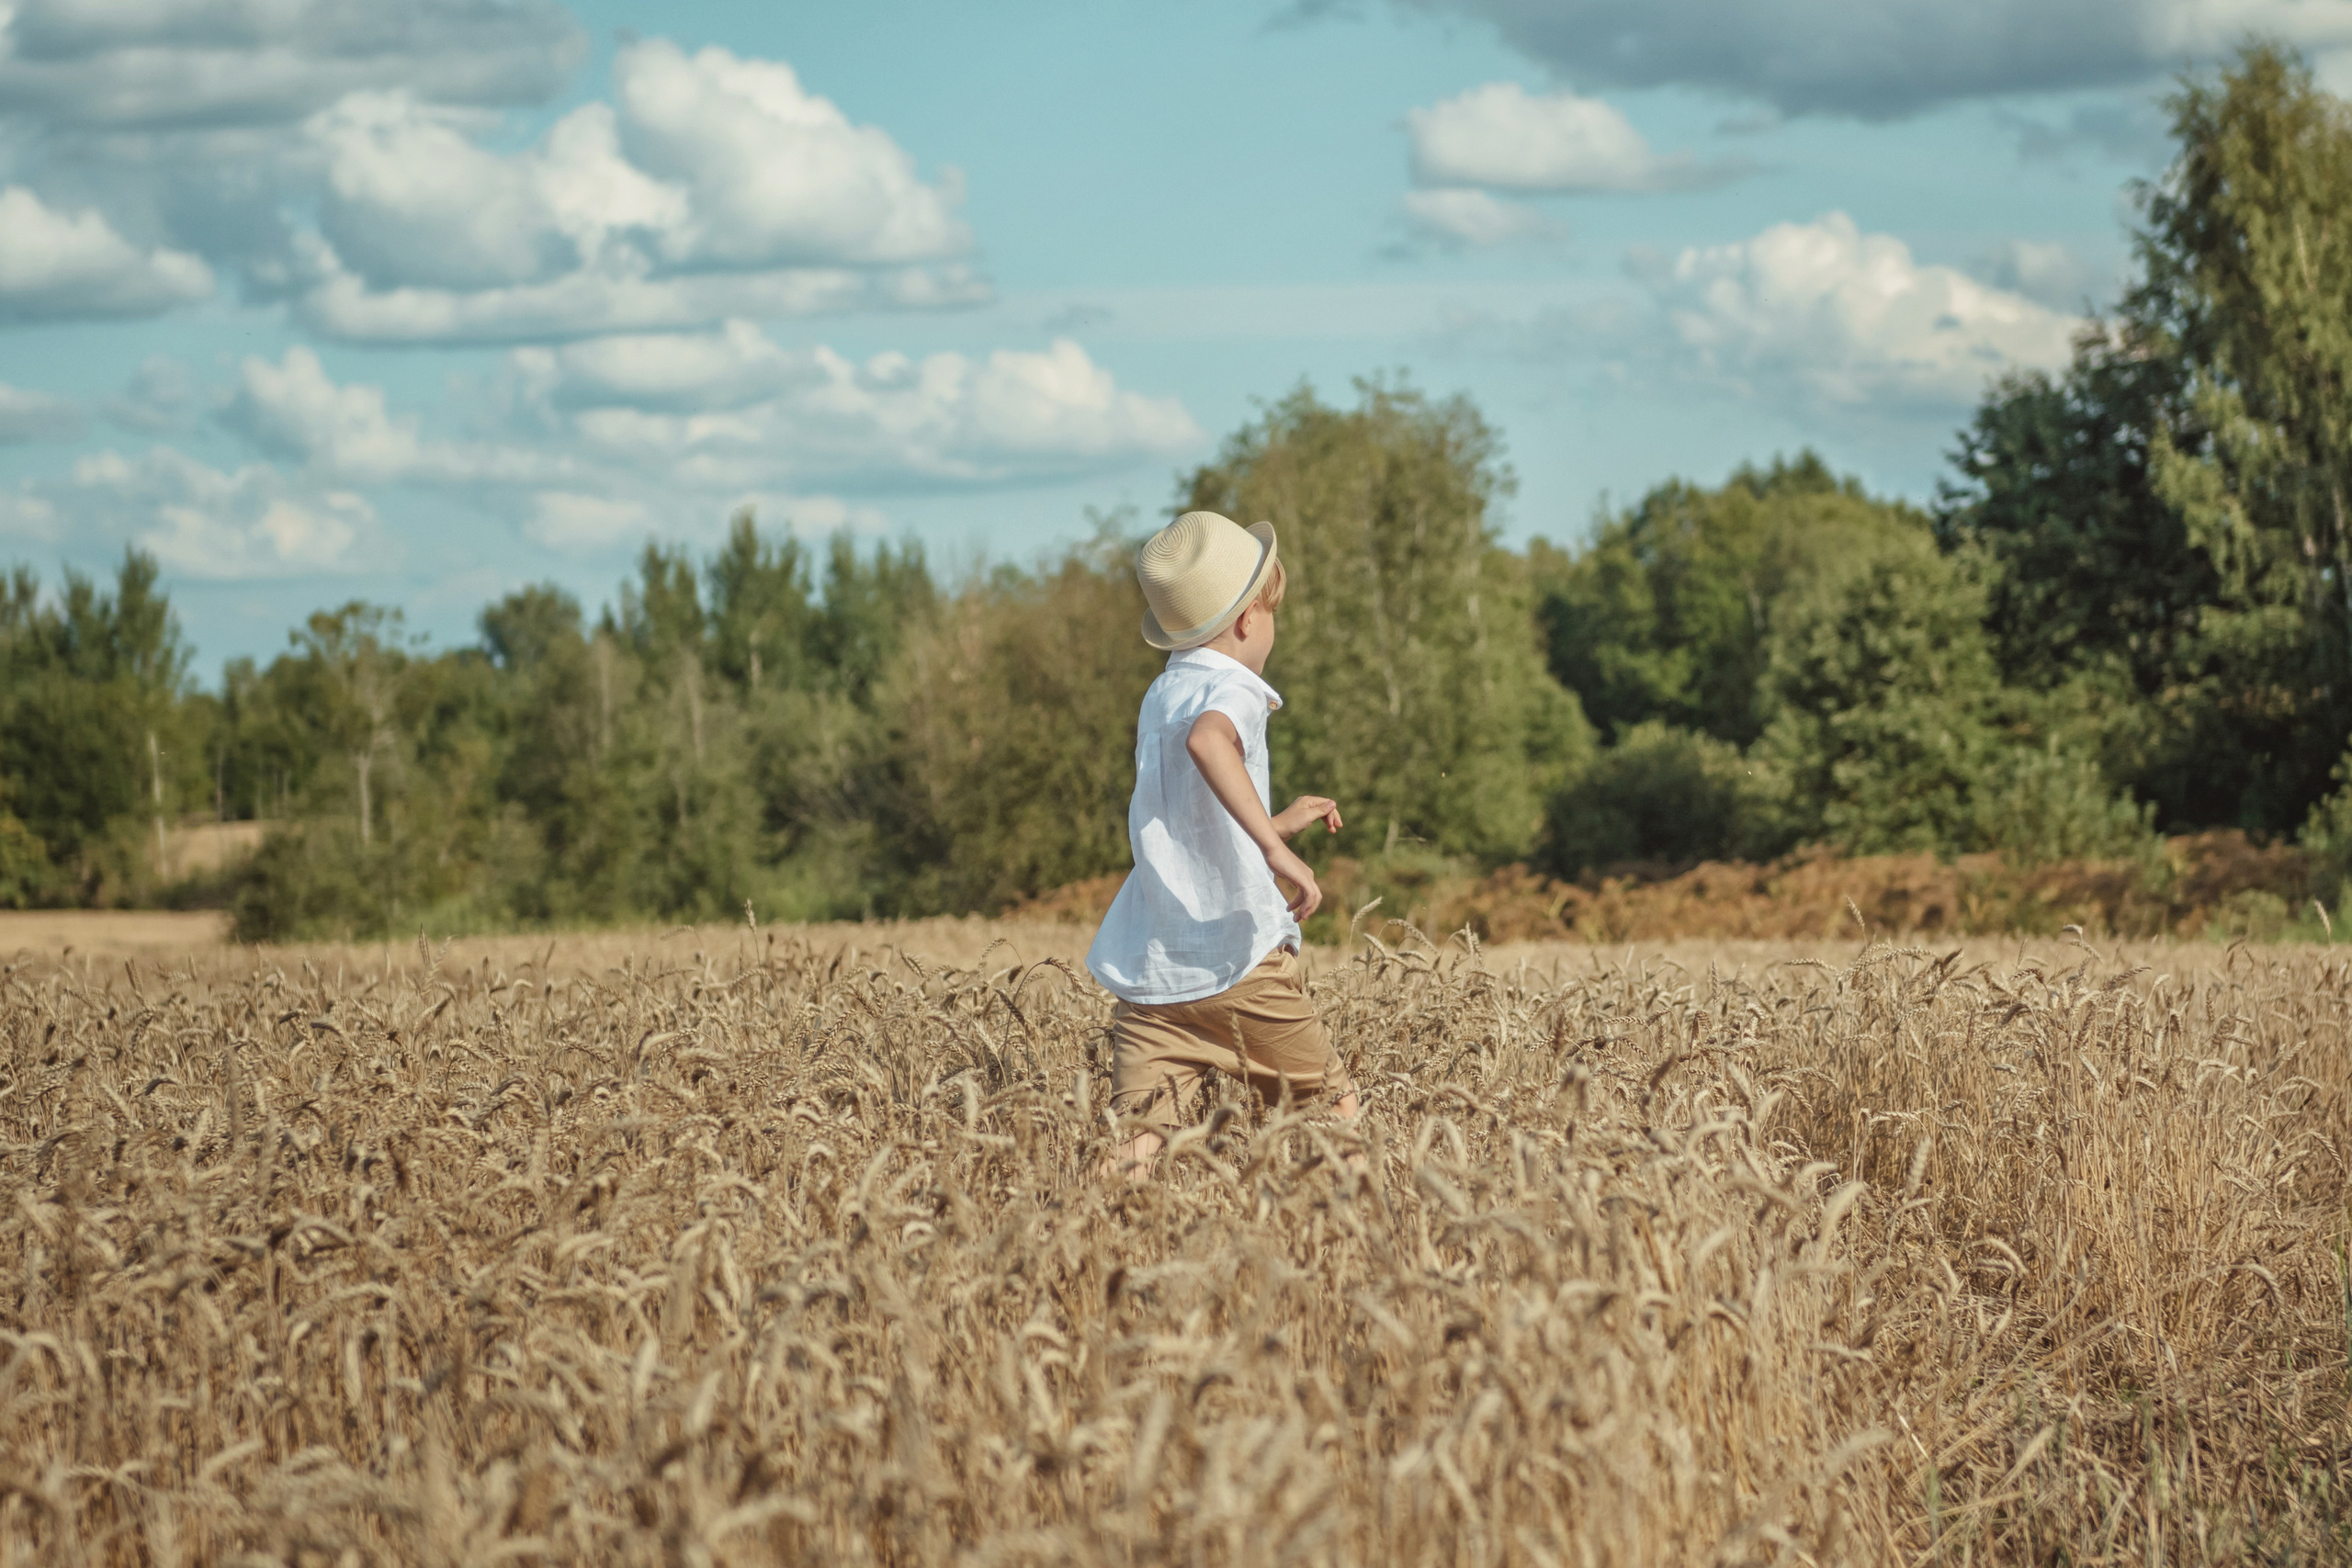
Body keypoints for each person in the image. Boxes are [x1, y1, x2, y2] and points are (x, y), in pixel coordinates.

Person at [1086, 510, 1359, 1179]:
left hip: (1154, 979)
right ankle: (1364, 1249)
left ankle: (1073, 1250)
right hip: (1237, 963)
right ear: (1247, 621)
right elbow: (1209, 742)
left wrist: (1277, 821)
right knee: (1337, 1115)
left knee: (1136, 1151)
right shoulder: (1232, 685)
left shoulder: (1162, 690)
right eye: (1273, 615)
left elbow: (1187, 807)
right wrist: (1274, 850)